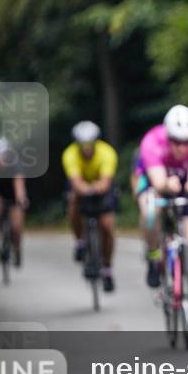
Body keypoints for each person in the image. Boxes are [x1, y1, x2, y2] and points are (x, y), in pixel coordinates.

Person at [137, 105, 188, 327]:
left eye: (187, 142)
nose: (182, 147)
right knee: (149, 210)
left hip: (184, 186)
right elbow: (159, 181)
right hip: (156, 181)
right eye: (176, 141)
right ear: (167, 136)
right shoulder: (152, 141)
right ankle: (153, 255)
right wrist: (164, 184)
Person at [62, 121, 119, 291]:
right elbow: (76, 182)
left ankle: (107, 268)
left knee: (107, 226)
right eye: (82, 145)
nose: (86, 148)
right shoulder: (69, 154)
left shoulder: (107, 152)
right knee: (72, 200)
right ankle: (80, 241)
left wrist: (96, 188)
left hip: (102, 186)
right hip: (81, 187)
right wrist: (85, 189)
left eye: (90, 144)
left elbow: (106, 182)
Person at [0, 137, 28, 267]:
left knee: (16, 226)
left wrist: (21, 199)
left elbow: (19, 186)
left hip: (12, 195)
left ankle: (17, 249)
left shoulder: (15, 165)